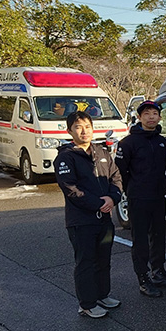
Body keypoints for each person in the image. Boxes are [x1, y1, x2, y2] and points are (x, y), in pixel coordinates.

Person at [54, 110, 124, 318]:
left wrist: (113, 198)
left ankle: (102, 294)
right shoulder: (66, 157)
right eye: (78, 127)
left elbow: (116, 177)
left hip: (104, 219)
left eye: (87, 126)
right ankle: (87, 303)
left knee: (104, 258)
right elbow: (70, 189)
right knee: (86, 261)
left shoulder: (102, 152)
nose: (84, 131)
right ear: (69, 131)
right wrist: (98, 204)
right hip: (81, 221)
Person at [115, 100, 166, 298]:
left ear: (159, 117)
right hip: (138, 197)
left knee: (158, 236)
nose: (151, 117)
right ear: (139, 117)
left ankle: (158, 271)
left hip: (158, 195)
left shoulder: (161, 141)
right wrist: (131, 189)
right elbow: (120, 171)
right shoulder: (128, 143)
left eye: (155, 113)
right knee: (140, 239)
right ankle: (143, 277)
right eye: (147, 113)